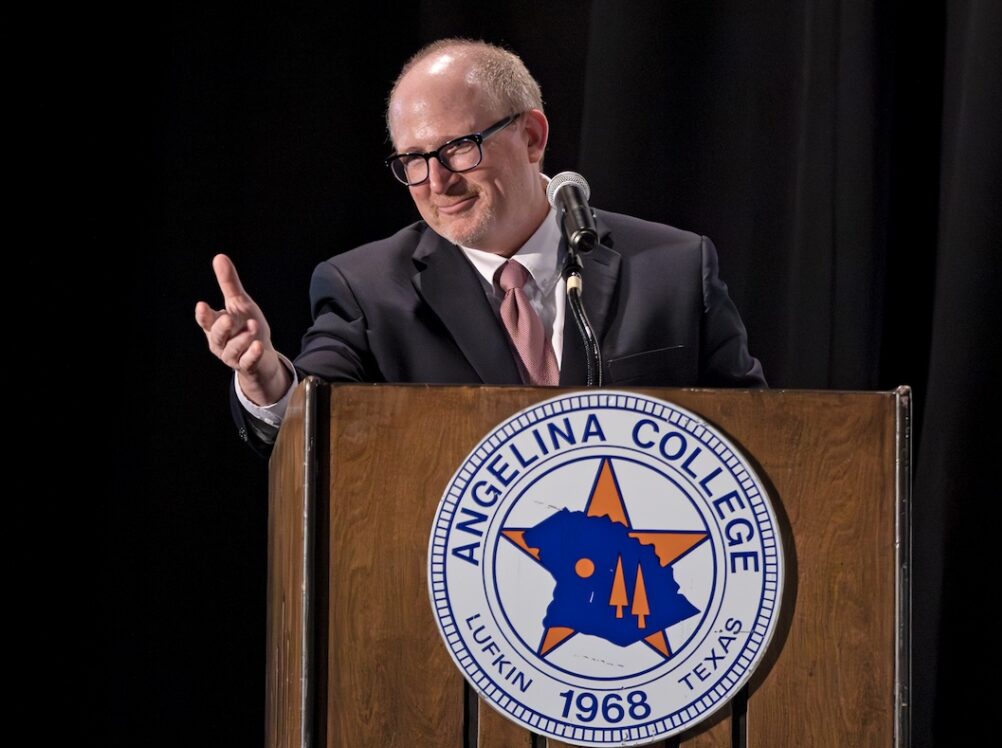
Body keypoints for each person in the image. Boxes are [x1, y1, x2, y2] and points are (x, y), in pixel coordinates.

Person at [195, 39, 765, 457]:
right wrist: (269, 382)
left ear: (533, 137)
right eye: (412, 161)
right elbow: (320, 422)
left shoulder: (673, 267)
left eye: (459, 148)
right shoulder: (366, 290)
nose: (436, 182)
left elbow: (760, 439)